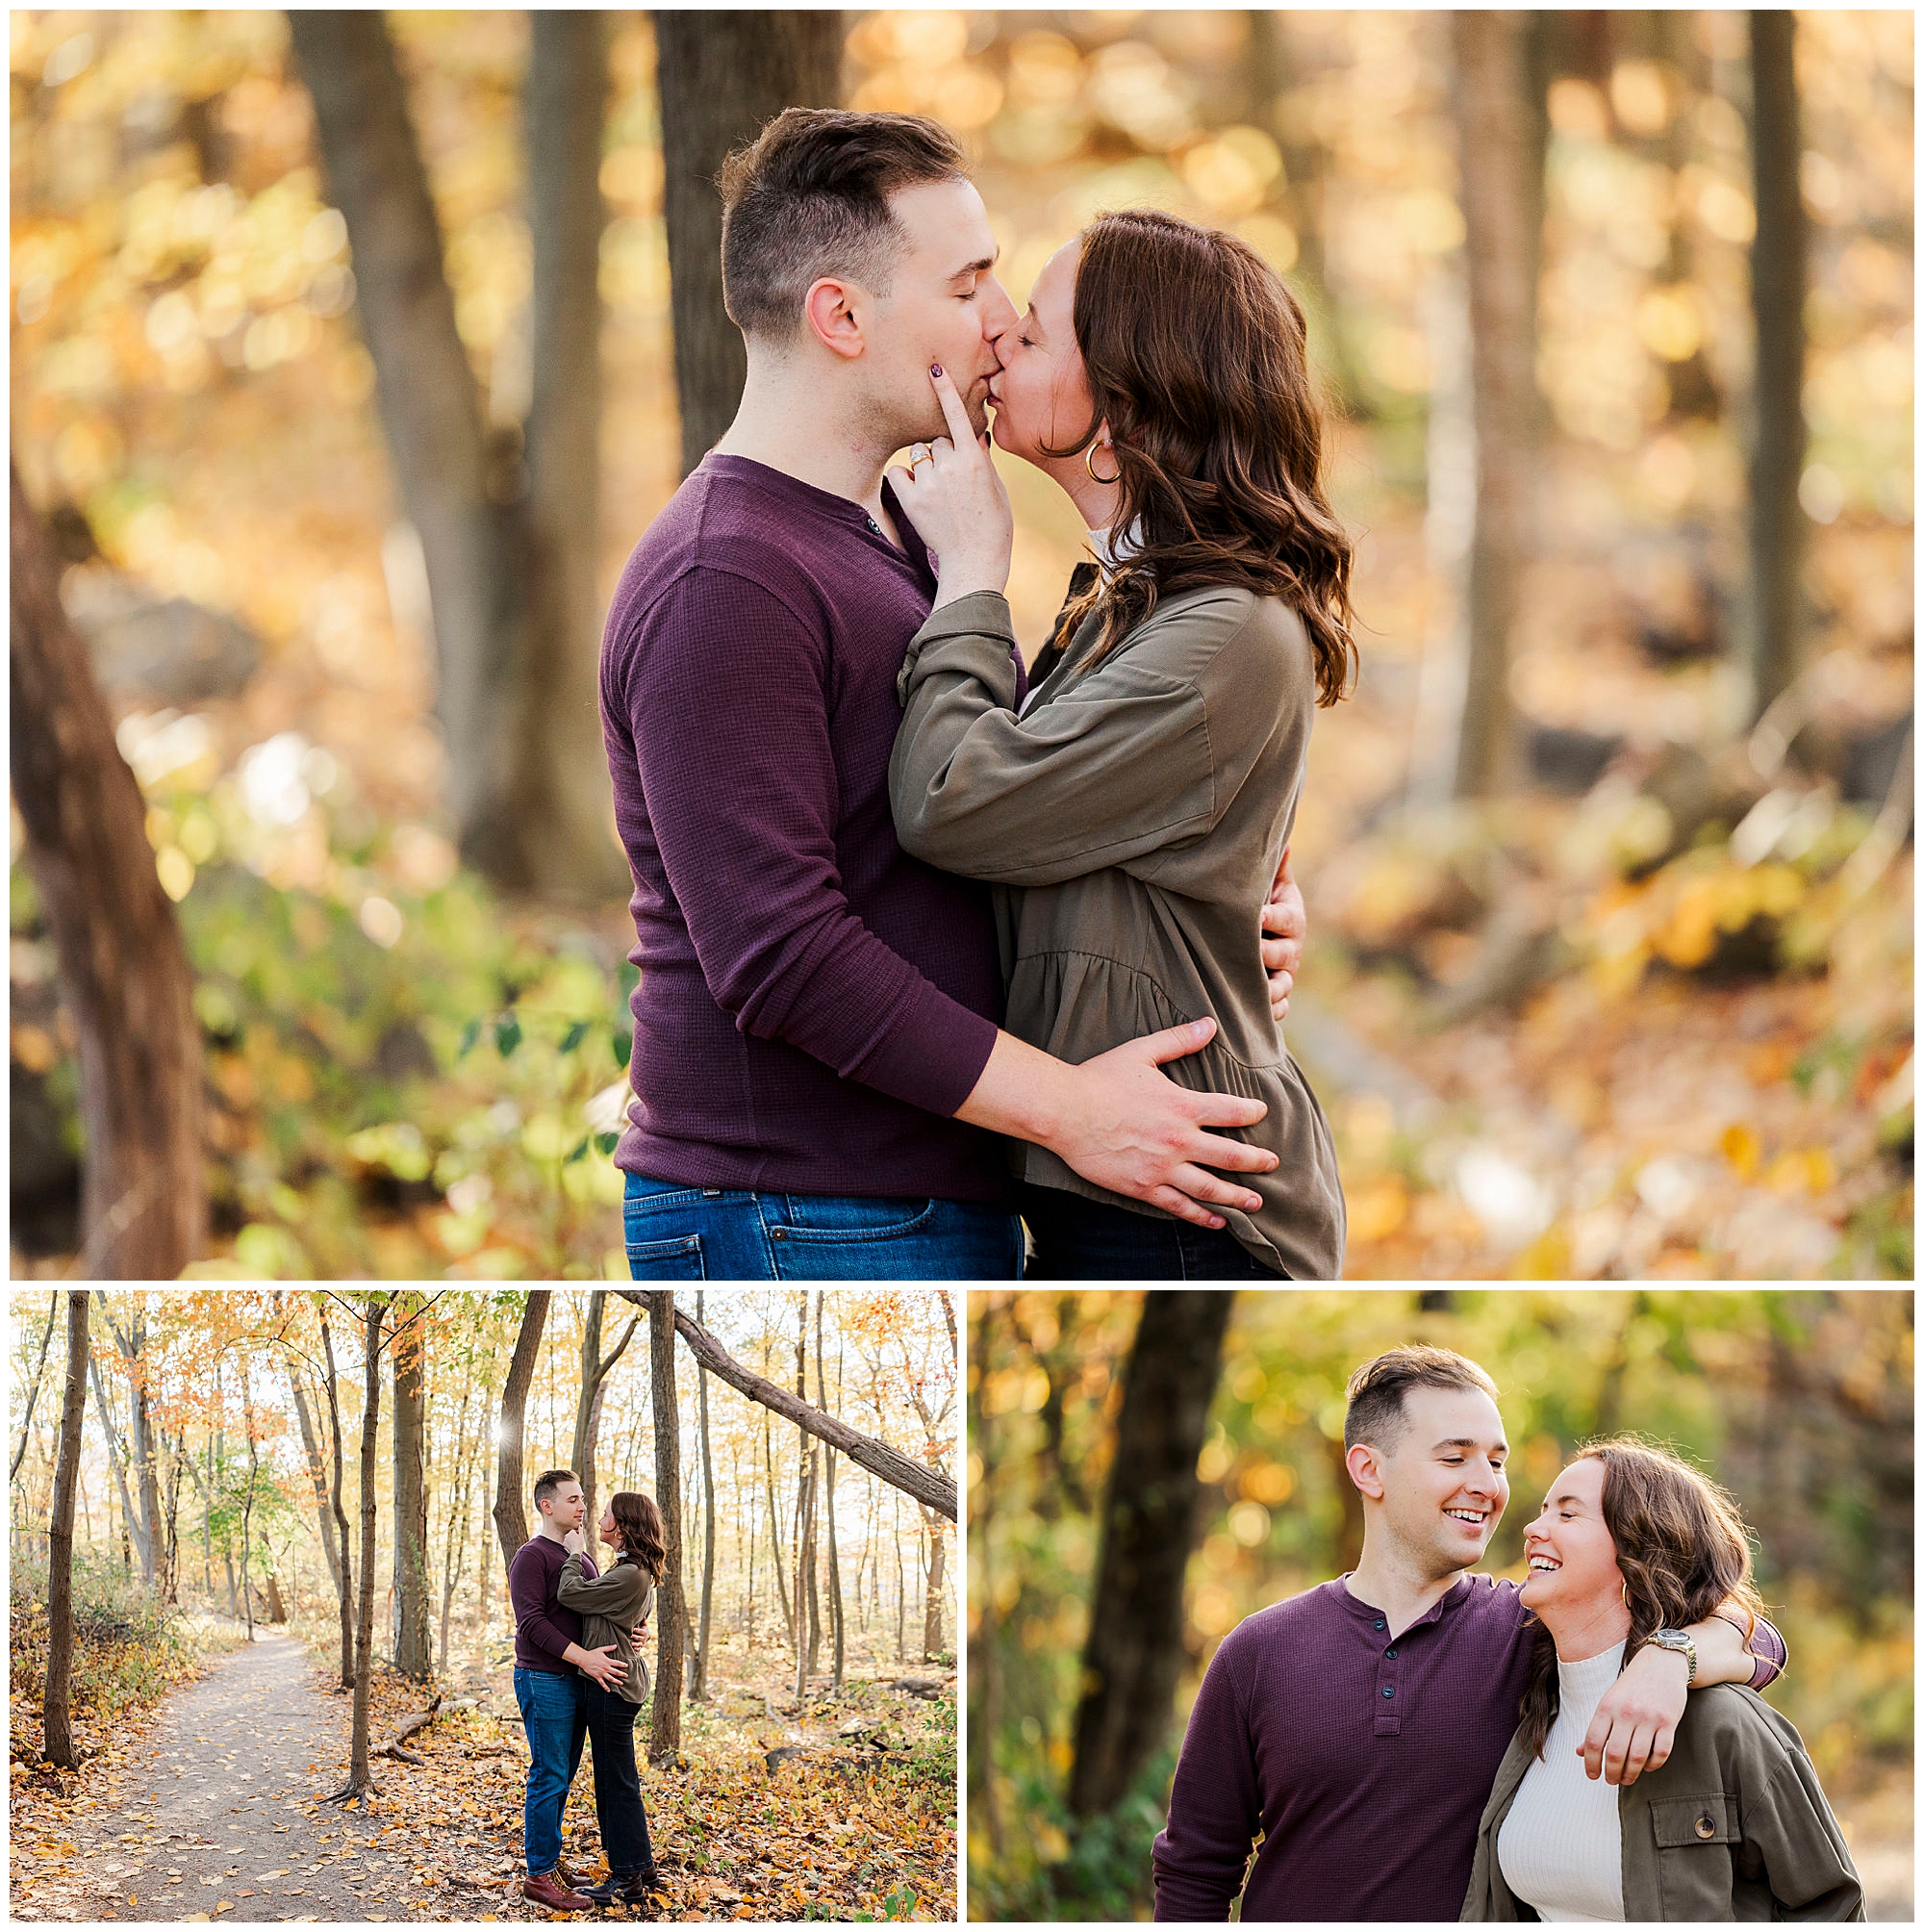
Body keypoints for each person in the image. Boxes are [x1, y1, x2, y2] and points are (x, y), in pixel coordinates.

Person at [598, 108, 1306, 1282]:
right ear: (841, 315)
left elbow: (1023, 799)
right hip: (798, 1205)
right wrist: (1069, 1109)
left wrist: (1224, 891)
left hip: (912, 1191)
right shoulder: (725, 577)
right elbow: (781, 952)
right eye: (970, 283)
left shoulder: (892, 535)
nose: (1001, 322)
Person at [885, 209, 1351, 1278]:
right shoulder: (1124, 603)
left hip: (1187, 1199)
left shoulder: (1225, 630)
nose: (999, 340)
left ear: (1121, 412)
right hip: (1114, 1176)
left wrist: (968, 579)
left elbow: (954, 798)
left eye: (1036, 336)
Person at [1151, 1347, 1788, 1920]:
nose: (1487, 1485)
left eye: (1497, 1461)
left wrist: (1669, 1657)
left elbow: (1763, 1644)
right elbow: (1194, 1870)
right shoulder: (1259, 1652)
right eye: (1455, 1457)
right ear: (1369, 1471)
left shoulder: (1537, 1632)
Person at [1461, 1437, 1862, 1921]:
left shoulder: (1723, 1723)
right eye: (1544, 1510)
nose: (1531, 1527)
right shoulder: (1531, 1705)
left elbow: (1832, 1907)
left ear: (1639, 1552)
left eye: (1567, 1515)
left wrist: (1670, 1656)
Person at [508, 1469, 627, 1914]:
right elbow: (532, 1623)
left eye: (583, 1499)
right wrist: (585, 1658)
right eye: (574, 1500)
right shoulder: (531, 1557)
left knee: (562, 1776)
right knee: (549, 1775)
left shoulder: (583, 1557)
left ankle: (549, 1863)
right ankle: (538, 1877)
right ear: (547, 1505)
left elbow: (596, 1609)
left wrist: (632, 1633)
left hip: (577, 1680)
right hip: (545, 1679)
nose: (583, 1507)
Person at [558, 1491, 665, 1913]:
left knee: (614, 1785)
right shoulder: (633, 1571)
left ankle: (625, 1878)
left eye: (604, 1513)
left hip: (611, 1686)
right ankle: (640, 1870)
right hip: (617, 1682)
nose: (597, 1516)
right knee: (619, 1782)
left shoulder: (629, 1574)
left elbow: (572, 1596)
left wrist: (573, 1554)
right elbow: (627, 1621)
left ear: (620, 1525)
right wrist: (639, 1633)